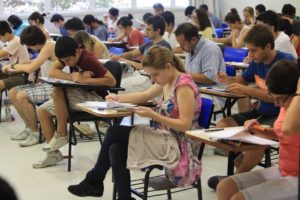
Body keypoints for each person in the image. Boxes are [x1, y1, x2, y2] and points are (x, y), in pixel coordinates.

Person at [67, 45, 202, 199]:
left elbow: (185, 124)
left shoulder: (183, 85)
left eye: (155, 75)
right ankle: (121, 196)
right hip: (163, 137)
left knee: (113, 132)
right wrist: (118, 98)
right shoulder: (167, 78)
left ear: (168, 67)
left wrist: (154, 115)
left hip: (178, 144)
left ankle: (94, 181)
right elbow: (144, 95)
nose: (153, 80)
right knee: (116, 148)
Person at [207, 24, 296, 190]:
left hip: (280, 116)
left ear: (268, 46)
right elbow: (241, 81)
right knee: (221, 127)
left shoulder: (285, 64)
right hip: (262, 112)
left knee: (259, 141)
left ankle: (237, 179)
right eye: (249, 50)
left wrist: (247, 90)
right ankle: (240, 174)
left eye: (253, 50)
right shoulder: (257, 62)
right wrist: (228, 80)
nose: (250, 54)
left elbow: (275, 97)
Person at [217, 59, 300, 200]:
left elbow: (287, 130)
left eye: (280, 99)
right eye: (273, 98)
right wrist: (260, 130)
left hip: (296, 176)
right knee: (225, 187)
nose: (276, 103)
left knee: (239, 198)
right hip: (284, 170)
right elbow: (283, 135)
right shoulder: (286, 104)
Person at [32, 36, 116, 168]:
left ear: (77, 51)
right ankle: (53, 155)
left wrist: (85, 80)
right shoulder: (68, 55)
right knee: (42, 111)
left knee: (58, 91)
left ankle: (62, 134)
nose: (68, 63)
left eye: (69, 60)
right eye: (64, 61)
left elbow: (112, 81)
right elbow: (53, 71)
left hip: (96, 99)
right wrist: (73, 77)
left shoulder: (88, 59)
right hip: (79, 95)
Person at [5, 26, 56, 147]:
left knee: (22, 95)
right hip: (46, 84)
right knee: (12, 93)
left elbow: (31, 68)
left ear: (35, 42)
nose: (29, 48)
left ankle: (35, 132)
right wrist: (21, 64)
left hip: (56, 87)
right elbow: (34, 62)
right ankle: (29, 128)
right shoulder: (44, 46)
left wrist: (13, 67)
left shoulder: (49, 46)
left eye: (29, 45)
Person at [0, 21, 30, 91]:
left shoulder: (15, 41)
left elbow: (1, 53)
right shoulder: (13, 40)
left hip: (20, 76)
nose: (0, 40)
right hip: (13, 72)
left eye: (0, 37)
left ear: (7, 34)